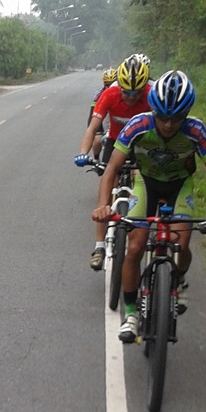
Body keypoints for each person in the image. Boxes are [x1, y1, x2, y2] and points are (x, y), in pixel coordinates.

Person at [91, 70, 206, 342]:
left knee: (181, 243)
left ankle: (180, 279)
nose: (169, 124)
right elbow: (112, 169)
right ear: (153, 110)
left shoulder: (196, 130)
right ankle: (131, 314)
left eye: (177, 118)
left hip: (179, 185)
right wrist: (104, 206)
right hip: (146, 183)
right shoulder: (138, 125)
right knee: (135, 247)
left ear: (187, 114)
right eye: (162, 117)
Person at [75, 55, 153, 270]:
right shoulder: (109, 94)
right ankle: (99, 246)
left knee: (142, 182)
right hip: (116, 143)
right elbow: (93, 128)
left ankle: (141, 226)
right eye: (126, 92)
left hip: (142, 146)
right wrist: (83, 153)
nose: (131, 98)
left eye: (136, 93)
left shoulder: (151, 96)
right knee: (107, 188)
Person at [87, 67, 117, 160]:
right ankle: (96, 158)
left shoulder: (123, 92)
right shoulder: (99, 95)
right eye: (107, 85)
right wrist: (93, 130)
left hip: (115, 119)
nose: (109, 87)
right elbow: (93, 113)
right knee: (97, 140)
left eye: (112, 83)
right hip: (101, 118)